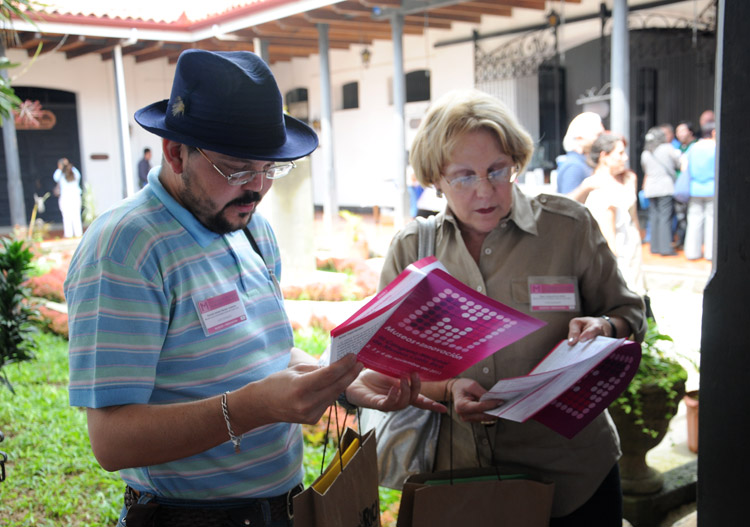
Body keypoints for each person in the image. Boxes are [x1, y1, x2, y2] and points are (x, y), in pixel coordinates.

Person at [64, 49, 442, 527]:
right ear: (176, 152)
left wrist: (341, 382)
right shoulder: (125, 249)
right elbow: (112, 442)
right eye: (237, 169)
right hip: (188, 517)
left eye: (271, 169)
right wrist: (249, 409)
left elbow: (270, 354)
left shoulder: (249, 228)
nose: (257, 188)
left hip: (283, 506)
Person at [380, 89, 645, 526]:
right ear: (435, 180)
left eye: (497, 170)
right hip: (462, 479)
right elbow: (389, 362)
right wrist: (447, 390)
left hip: (573, 473)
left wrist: (604, 326)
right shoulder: (413, 249)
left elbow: (629, 314)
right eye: (463, 176)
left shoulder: (567, 227)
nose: (485, 191)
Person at [584, 132, 645, 294]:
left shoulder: (628, 178)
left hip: (631, 246)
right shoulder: (596, 185)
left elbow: (633, 216)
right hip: (617, 252)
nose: (625, 157)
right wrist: (612, 262)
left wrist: (638, 236)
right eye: (620, 153)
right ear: (604, 156)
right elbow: (607, 233)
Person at [640, 127, 681, 256]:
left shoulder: (646, 153)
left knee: (654, 217)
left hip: (651, 187)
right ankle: (665, 248)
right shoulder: (667, 148)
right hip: (665, 187)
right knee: (665, 217)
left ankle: (654, 247)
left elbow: (645, 169)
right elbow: (678, 163)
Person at [683, 120, 716, 260]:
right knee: (711, 221)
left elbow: (684, 167)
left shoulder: (694, 147)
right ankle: (710, 253)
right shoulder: (716, 147)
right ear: (713, 132)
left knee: (694, 221)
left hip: (695, 189)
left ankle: (692, 252)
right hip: (712, 189)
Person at [555, 112, 604, 196]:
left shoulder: (585, 162)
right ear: (579, 138)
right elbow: (566, 204)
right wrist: (585, 187)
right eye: (598, 135)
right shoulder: (574, 166)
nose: (602, 140)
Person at [52, 157, 83, 238]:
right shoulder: (74, 171)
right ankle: (78, 233)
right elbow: (78, 176)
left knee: (67, 216)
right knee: (76, 216)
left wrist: (60, 168)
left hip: (66, 197)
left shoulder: (60, 173)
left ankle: (68, 234)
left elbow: (55, 177)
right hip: (75, 196)